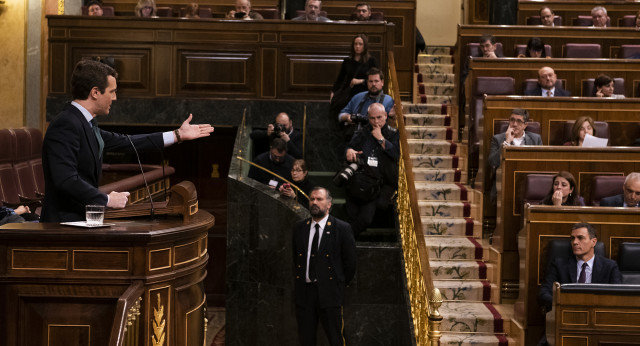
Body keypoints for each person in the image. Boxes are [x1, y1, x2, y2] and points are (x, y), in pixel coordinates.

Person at [41, 59, 214, 222]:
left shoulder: (84, 123)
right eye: (112, 92)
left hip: (80, 220)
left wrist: (177, 135)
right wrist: (107, 199)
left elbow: (127, 142)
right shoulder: (66, 124)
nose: (115, 98)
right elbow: (65, 179)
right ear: (95, 92)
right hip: (61, 224)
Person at [292, 187, 356, 346]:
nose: (314, 202)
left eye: (319, 199)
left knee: (337, 339)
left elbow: (350, 263)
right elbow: (296, 259)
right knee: (306, 339)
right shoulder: (300, 227)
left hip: (330, 292)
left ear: (329, 204)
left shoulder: (341, 228)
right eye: (312, 199)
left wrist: (337, 284)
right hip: (305, 293)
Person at [538, 222, 622, 313]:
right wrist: (564, 304)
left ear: (593, 242)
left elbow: (618, 296)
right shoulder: (559, 265)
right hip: (567, 313)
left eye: (580, 238)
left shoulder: (610, 267)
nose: (575, 242)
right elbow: (543, 293)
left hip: (598, 315)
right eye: (572, 238)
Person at [344, 103, 399, 236]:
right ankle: (347, 241)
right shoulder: (364, 131)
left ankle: (342, 239)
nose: (376, 122)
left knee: (365, 218)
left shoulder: (392, 133)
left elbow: (395, 153)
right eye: (372, 118)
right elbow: (350, 146)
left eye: (379, 117)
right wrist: (349, 150)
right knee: (351, 212)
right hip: (362, 177)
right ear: (368, 118)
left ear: (385, 116)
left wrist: (380, 138)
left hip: (380, 182)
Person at [330, 34, 379, 113]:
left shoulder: (371, 61)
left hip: (365, 92)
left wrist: (360, 81)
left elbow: (377, 79)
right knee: (336, 105)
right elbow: (340, 78)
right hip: (349, 92)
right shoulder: (347, 61)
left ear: (365, 46)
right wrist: (333, 92)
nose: (357, 46)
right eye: (355, 44)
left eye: (360, 44)